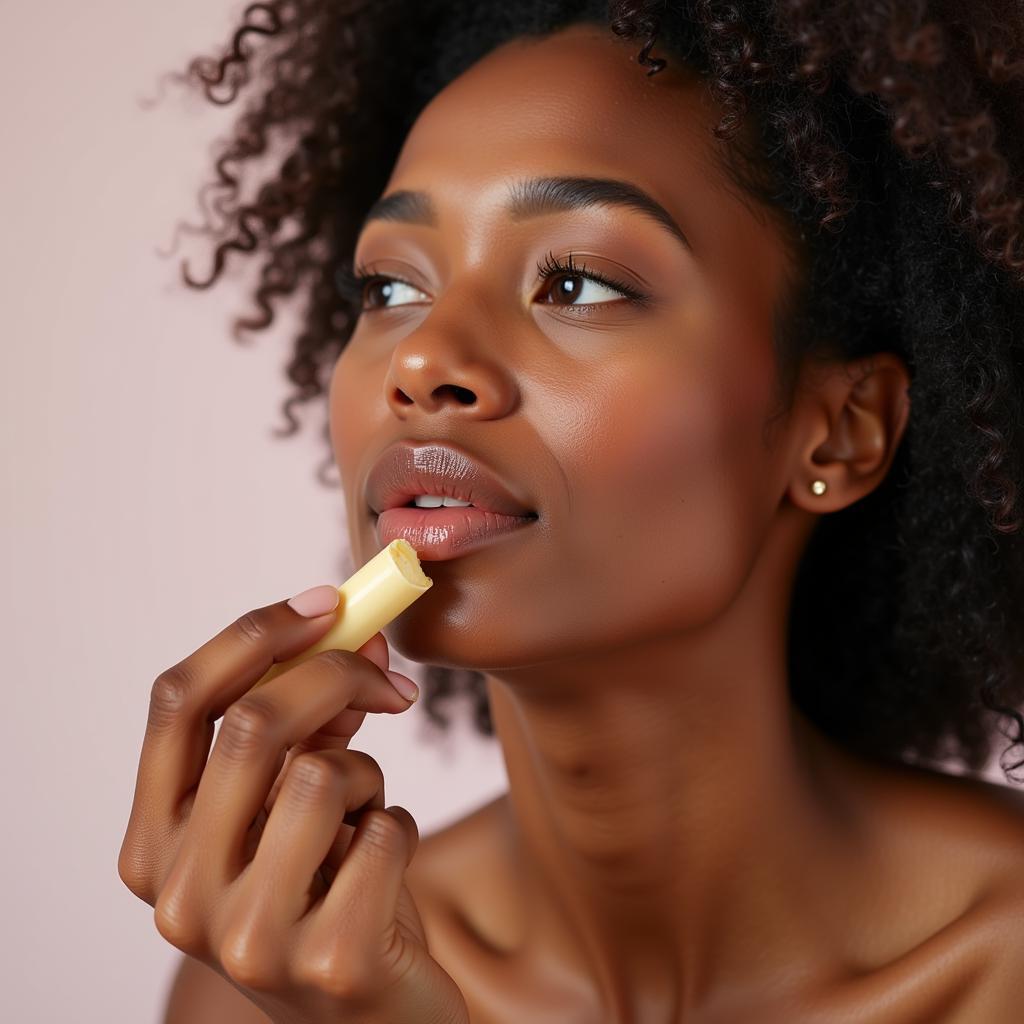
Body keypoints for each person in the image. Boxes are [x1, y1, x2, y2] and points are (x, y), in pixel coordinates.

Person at [119, 2, 1024, 1020]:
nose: (422, 361)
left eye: (578, 283)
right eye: (388, 287)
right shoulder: (271, 976)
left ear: (839, 431)